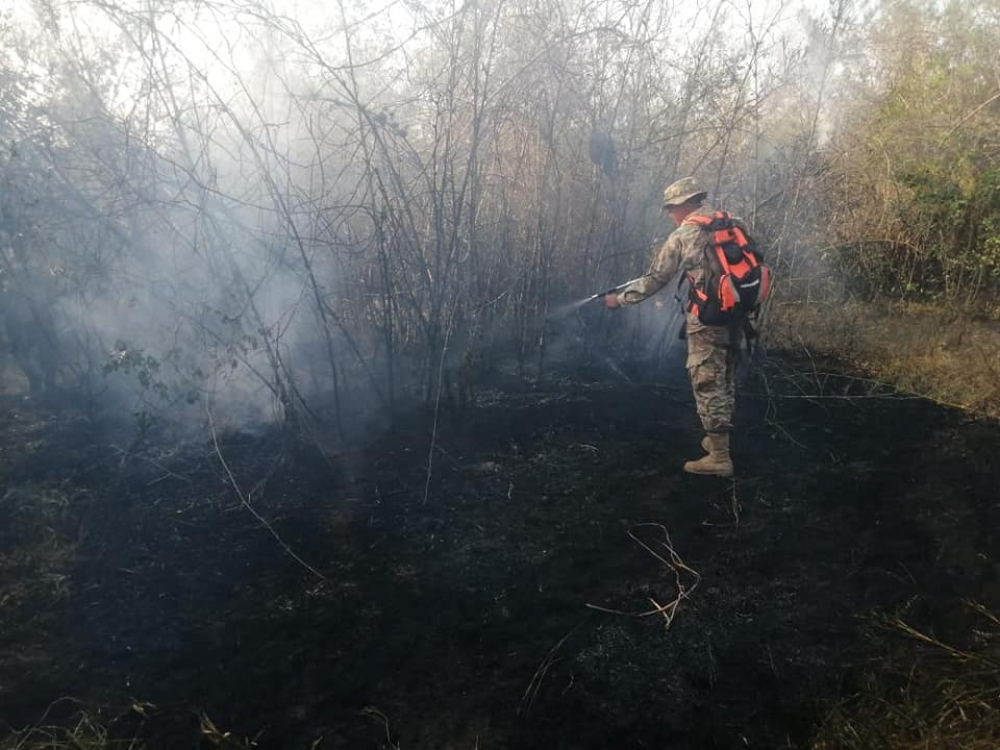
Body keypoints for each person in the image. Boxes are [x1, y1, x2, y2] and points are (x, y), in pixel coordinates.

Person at [604, 177, 755, 477]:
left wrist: (620, 300)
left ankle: (720, 459)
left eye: (672, 208)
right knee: (723, 377)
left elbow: (655, 279)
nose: (671, 214)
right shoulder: (732, 223)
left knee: (707, 381)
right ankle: (716, 443)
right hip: (736, 314)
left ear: (684, 204)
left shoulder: (684, 234)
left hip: (708, 319)